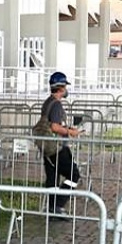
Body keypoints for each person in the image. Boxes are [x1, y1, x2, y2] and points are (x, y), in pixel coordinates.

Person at [41, 72, 81, 219]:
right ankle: (58, 205)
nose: (66, 90)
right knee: (74, 175)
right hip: (57, 147)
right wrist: (70, 132)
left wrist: (68, 128)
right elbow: (55, 127)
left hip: (48, 148)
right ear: (60, 88)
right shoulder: (56, 104)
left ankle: (51, 210)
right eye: (64, 87)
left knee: (53, 179)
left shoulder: (48, 102)